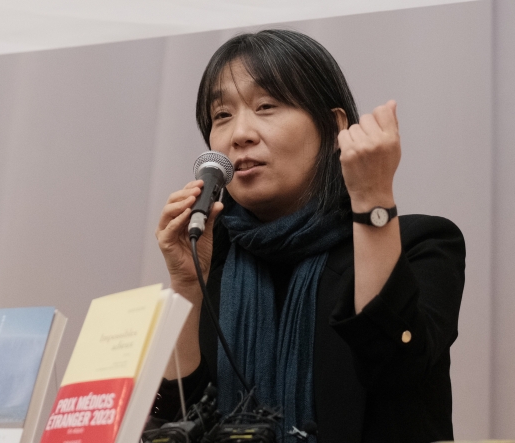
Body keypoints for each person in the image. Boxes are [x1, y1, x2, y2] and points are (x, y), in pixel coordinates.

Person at [152, 29, 465, 443]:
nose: (239, 133)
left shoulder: (420, 244)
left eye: (266, 106)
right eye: (222, 116)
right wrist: (187, 285)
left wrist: (372, 198)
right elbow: (179, 419)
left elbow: (395, 370)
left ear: (334, 126)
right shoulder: (211, 253)